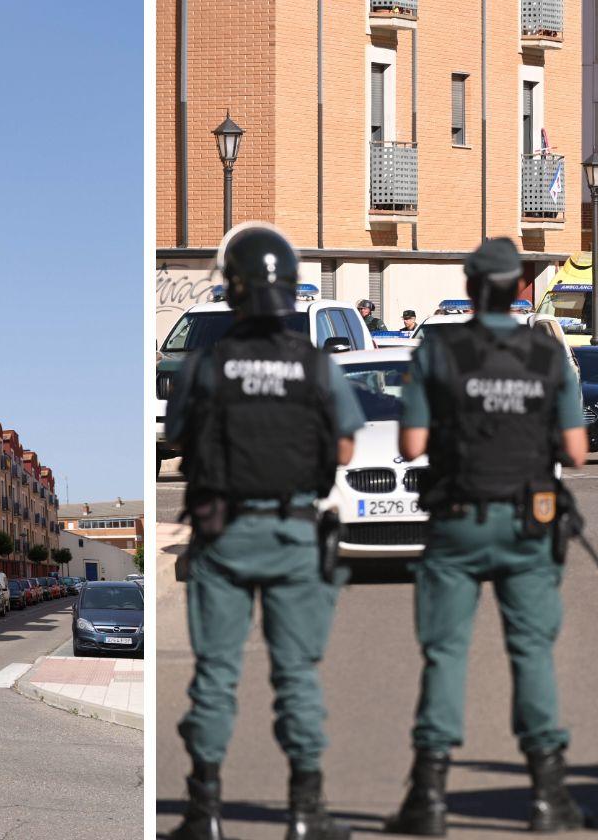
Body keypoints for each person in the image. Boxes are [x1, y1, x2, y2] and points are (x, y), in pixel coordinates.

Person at [384, 237, 589, 836]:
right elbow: (577, 452)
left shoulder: (438, 348)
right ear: (519, 287)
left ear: (472, 287)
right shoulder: (548, 355)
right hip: (529, 523)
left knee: (445, 653)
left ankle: (427, 800)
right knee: (532, 652)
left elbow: (411, 446)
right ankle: (550, 799)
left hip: (456, 521)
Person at [166, 222, 364, 840]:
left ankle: (204, 814)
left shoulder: (204, 363)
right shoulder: (316, 366)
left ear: (234, 290)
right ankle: (307, 812)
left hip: (222, 535)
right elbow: (347, 447)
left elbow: (176, 439)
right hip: (294, 533)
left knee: (216, 676)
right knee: (297, 674)